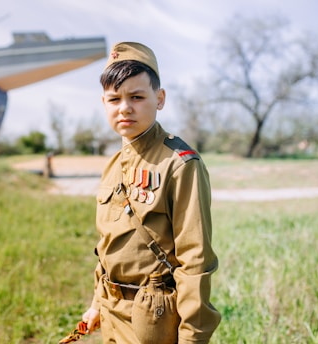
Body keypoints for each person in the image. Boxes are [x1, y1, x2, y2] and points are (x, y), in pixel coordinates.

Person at [81, 42, 221, 343]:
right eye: (114, 99)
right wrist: (96, 304)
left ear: (159, 99)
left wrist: (192, 338)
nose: (125, 108)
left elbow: (195, 261)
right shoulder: (114, 163)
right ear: (103, 103)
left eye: (137, 97)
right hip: (110, 309)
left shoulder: (180, 164)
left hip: (153, 317)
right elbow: (107, 245)